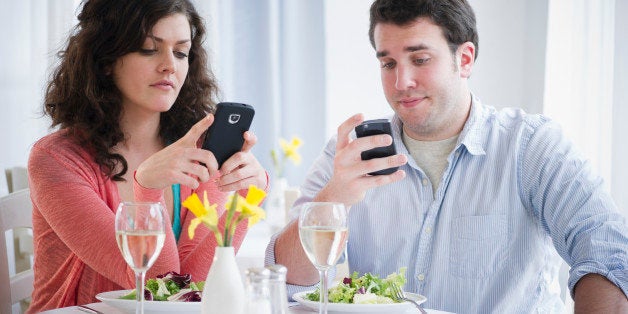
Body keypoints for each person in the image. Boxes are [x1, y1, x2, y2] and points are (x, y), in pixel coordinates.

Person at [266, 0, 628, 312]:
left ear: (465, 59)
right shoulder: (348, 153)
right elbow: (287, 281)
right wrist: (335, 197)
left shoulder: (532, 147)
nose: (401, 82)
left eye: (420, 59)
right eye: (388, 63)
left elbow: (607, 255)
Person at [27, 0, 268, 312]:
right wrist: (148, 190)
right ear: (106, 59)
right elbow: (156, 288)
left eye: (181, 52)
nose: (170, 64)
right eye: (148, 48)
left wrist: (248, 197)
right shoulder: (56, 159)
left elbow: (192, 289)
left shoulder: (200, 155)